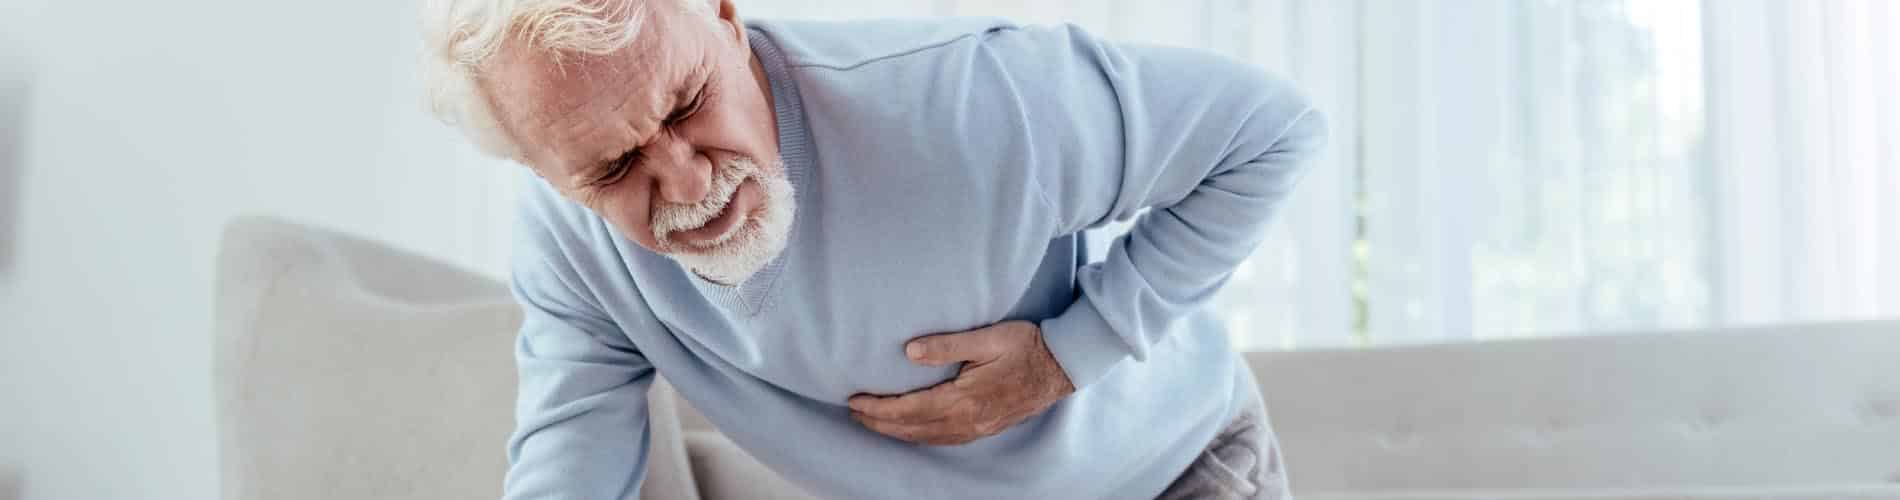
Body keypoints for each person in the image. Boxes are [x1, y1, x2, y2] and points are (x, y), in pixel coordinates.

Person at [420, 0, 1328, 498]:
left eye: (689, 105)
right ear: (547, 175)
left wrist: (1068, 353)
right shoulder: (568, 246)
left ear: (727, 23)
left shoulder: (975, 96)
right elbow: (571, 458)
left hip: (1169, 475)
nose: (689, 185)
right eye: (615, 167)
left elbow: (1271, 131)